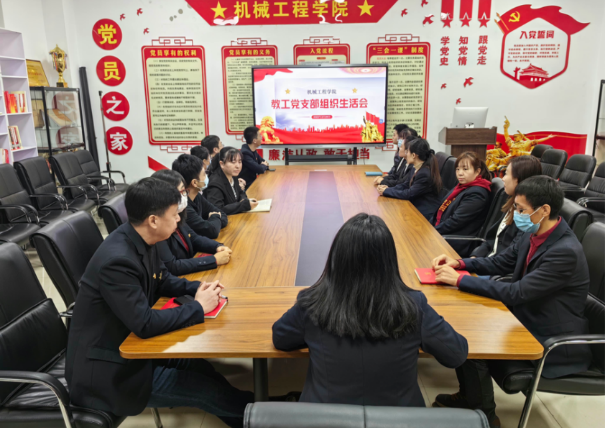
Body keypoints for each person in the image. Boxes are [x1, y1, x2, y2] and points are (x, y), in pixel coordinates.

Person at [65, 178, 254, 427]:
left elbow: (163, 279)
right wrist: (198, 307)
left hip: (133, 348)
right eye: (174, 215)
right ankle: (264, 418)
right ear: (153, 220)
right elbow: (144, 324)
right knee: (203, 391)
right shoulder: (117, 261)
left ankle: (255, 411)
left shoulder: (142, 238)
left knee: (200, 368)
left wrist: (200, 288)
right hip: (109, 371)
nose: (178, 220)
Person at [431, 176, 592, 428]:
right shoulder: (533, 233)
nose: (516, 214)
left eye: (521, 209)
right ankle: (469, 398)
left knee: (471, 341)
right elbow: (501, 261)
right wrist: (460, 263)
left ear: (544, 210)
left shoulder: (564, 251)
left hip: (550, 337)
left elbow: (517, 292)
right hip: (527, 315)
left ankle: (485, 416)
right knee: (462, 327)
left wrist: (459, 280)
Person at [273, 213, 469, 407]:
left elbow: (281, 338)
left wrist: (314, 334)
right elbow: (456, 354)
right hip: (400, 419)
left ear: (337, 258)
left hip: (326, 417)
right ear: (389, 260)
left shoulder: (313, 303)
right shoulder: (413, 305)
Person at [152, 170, 233, 276]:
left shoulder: (179, 213)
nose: (185, 195)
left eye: (184, 191)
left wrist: (217, 246)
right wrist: (214, 260)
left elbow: (194, 238)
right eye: (181, 192)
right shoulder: (158, 224)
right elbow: (172, 266)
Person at [471, 155, 543, 258]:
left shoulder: (528, 217)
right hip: (487, 260)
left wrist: (472, 264)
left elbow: (509, 258)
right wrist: (474, 257)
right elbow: (491, 240)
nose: (503, 179)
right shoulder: (511, 201)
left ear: (519, 179)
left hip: (495, 265)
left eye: (506, 174)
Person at [431, 152, 493, 257]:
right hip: (443, 234)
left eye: (465, 169)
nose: (460, 173)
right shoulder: (462, 186)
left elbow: (455, 222)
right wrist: (428, 227)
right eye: (458, 169)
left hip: (454, 242)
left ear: (477, 171)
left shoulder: (477, 194)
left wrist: (432, 232)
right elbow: (440, 209)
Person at [377, 138, 444, 220]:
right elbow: (405, 185)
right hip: (414, 206)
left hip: (424, 214)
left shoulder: (424, 173)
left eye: (407, 152)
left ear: (414, 155)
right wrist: (387, 189)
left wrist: (386, 191)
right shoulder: (415, 168)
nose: (406, 154)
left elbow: (409, 194)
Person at [172, 154, 228, 240]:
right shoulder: (183, 207)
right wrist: (215, 217)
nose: (206, 177)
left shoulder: (196, 196)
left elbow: (222, 214)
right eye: (204, 174)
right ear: (194, 183)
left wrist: (214, 221)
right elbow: (211, 231)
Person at [205, 147, 259, 215]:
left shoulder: (232, 174)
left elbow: (241, 192)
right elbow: (217, 209)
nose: (238, 166)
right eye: (233, 162)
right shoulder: (215, 183)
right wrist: (243, 205)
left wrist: (243, 200)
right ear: (222, 164)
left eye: (239, 162)